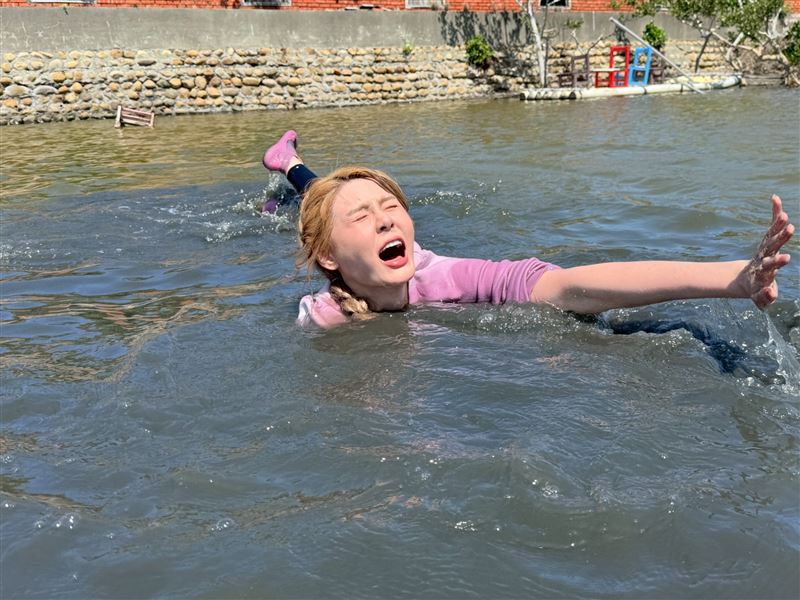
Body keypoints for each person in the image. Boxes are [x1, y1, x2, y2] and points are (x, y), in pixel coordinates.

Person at [263, 130, 795, 329]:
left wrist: (733, 277)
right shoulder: (325, 314)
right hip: (329, 245)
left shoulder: (439, 275)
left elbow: (567, 287)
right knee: (313, 194)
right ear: (327, 258)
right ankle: (288, 164)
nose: (383, 216)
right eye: (364, 217)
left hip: (373, 254)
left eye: (392, 206)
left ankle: (290, 163)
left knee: (330, 196)